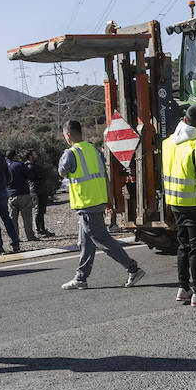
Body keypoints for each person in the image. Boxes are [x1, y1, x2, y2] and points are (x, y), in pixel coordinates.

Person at [58, 120, 146, 290]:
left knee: (102, 240)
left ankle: (133, 268)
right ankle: (81, 278)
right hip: (97, 201)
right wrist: (109, 200)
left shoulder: (71, 153)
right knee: (85, 243)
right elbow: (105, 176)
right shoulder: (94, 150)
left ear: (68, 135)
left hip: (86, 204)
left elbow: (62, 171)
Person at [162, 104, 196, 307]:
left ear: (184, 119)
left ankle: (183, 288)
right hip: (195, 203)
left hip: (175, 202)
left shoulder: (168, 142)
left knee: (183, 246)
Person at [6, 148, 37, 242]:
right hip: (23, 193)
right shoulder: (20, 165)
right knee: (27, 216)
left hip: (11, 194)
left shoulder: (4, 166)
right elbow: (30, 176)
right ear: (15, 156)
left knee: (13, 218)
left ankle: (15, 237)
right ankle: (30, 235)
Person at [26, 149, 55, 237]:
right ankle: (38, 230)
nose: (36, 156)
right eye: (35, 154)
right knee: (38, 210)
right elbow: (35, 177)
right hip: (36, 191)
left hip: (41, 190)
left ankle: (42, 229)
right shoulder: (29, 167)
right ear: (30, 156)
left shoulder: (35, 166)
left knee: (41, 211)